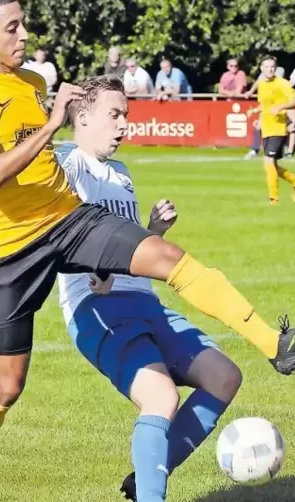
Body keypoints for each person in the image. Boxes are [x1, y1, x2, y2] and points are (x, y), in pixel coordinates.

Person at [0, 3, 295, 501]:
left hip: (66, 218)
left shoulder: (32, 82)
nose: (24, 34)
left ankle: (276, 343)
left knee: (165, 256)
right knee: (7, 387)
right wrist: (55, 121)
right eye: (12, 27)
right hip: (8, 250)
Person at [54, 76, 242, 502]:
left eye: (127, 116)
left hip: (145, 301)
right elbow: (59, 230)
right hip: (97, 307)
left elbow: (123, 243)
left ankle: (145, 480)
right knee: (161, 396)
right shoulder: (69, 163)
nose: (124, 126)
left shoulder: (120, 174)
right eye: (114, 115)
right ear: (82, 117)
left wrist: (152, 231)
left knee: (224, 377)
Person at [245, 56, 295, 205]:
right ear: (261, 69)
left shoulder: (282, 83)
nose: (270, 69)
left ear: (276, 68)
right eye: (267, 67)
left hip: (278, 128)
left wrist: (281, 107)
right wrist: (255, 111)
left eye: (272, 66)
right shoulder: (261, 84)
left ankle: (274, 199)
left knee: (268, 162)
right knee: (271, 165)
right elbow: (265, 105)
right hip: (266, 128)